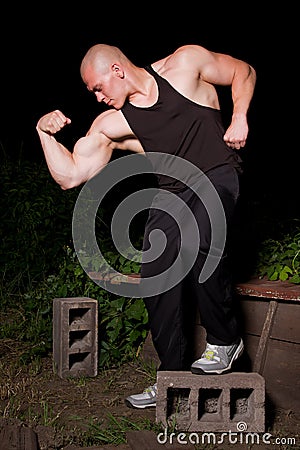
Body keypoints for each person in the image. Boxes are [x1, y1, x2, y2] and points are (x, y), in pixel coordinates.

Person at [36, 43, 256, 409]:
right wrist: (44, 134)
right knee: (156, 276)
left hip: (216, 175)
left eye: (98, 87)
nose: (98, 97)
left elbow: (243, 71)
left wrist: (239, 116)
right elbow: (71, 176)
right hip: (171, 191)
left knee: (203, 236)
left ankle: (224, 340)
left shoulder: (184, 64)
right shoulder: (111, 125)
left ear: (117, 70)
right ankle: (172, 378)